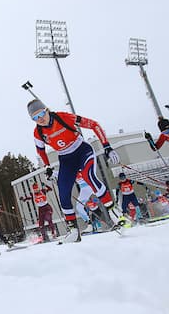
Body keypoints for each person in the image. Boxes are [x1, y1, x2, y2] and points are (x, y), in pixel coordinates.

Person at [27, 99, 121, 242]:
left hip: (82, 151)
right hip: (66, 159)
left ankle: (113, 210)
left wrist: (106, 146)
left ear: (46, 110)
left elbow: (94, 124)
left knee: (88, 176)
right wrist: (47, 167)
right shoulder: (38, 132)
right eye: (34, 118)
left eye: (40, 114)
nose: (39, 119)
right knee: (63, 192)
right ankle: (74, 230)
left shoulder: (63, 117)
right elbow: (40, 151)